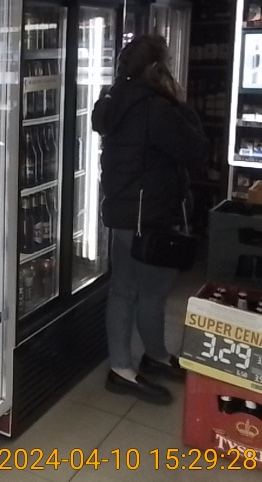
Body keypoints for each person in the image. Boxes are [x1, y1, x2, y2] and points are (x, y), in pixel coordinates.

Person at [91, 34, 208, 404]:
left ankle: (122, 367)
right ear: (157, 68)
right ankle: (152, 358)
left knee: (123, 290)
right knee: (154, 293)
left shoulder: (114, 100)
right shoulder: (158, 108)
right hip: (151, 215)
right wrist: (180, 102)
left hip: (124, 213)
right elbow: (197, 151)